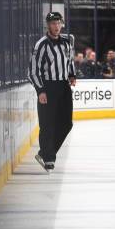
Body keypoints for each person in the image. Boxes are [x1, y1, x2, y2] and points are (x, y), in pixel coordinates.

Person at [28, 12, 76, 172]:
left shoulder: (66, 43)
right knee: (47, 124)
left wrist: (72, 75)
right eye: (53, 23)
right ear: (48, 25)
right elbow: (32, 71)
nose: (56, 26)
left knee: (67, 124)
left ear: (62, 24)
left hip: (63, 87)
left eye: (58, 23)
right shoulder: (41, 44)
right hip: (48, 87)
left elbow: (70, 61)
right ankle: (49, 158)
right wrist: (40, 90)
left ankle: (44, 152)